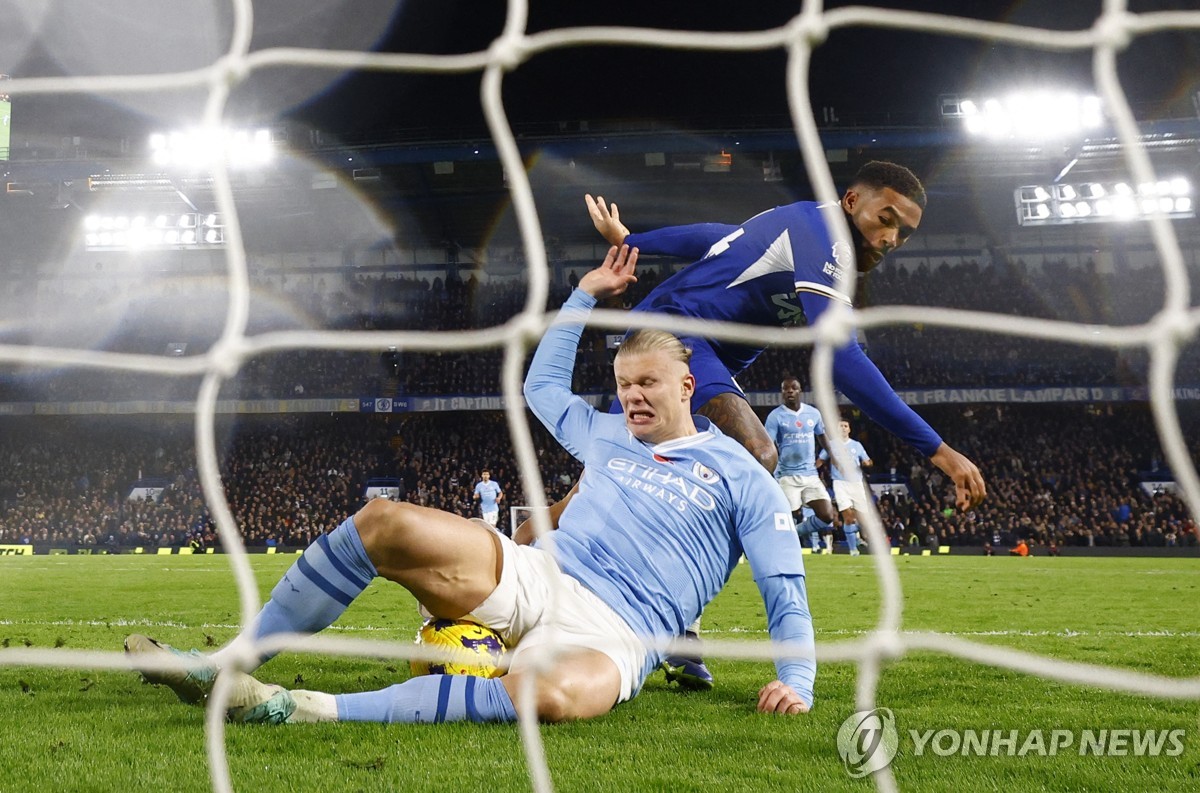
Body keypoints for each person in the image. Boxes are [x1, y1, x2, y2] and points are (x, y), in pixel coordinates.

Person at [125, 245, 815, 725]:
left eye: (648, 385)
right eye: (624, 384)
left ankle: (289, 706)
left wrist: (799, 681)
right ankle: (225, 664)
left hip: (617, 630)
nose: (632, 397)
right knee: (383, 520)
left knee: (549, 695)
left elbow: (785, 589)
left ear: (687, 386)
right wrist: (582, 295)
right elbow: (540, 385)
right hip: (539, 573)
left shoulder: (738, 474)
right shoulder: (607, 433)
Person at [522, 161, 986, 686]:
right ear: (853, 203)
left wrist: (636, 238)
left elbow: (716, 239)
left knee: (595, 487)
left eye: (905, 230)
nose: (893, 236)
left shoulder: (799, 232)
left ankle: (512, 562)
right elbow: (840, 357)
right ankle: (681, 623)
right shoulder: (824, 237)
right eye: (887, 218)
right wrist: (939, 450)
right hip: (673, 336)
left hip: (689, 346)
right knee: (753, 454)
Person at [763, 376, 836, 554]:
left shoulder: (813, 413)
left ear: (799, 391)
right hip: (786, 476)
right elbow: (768, 444)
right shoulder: (776, 416)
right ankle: (767, 547)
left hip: (810, 475)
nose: (789, 391)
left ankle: (795, 534)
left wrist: (834, 456)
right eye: (785, 388)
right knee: (783, 518)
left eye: (793, 388)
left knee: (827, 515)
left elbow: (822, 436)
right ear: (782, 392)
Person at [818, 420, 874, 556]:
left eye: (845, 426)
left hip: (856, 483)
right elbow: (820, 460)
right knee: (848, 517)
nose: (843, 428)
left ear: (849, 429)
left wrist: (868, 463)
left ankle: (856, 535)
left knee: (863, 519)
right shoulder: (831, 445)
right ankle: (853, 549)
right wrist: (811, 472)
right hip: (840, 483)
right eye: (840, 426)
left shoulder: (857, 445)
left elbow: (868, 461)